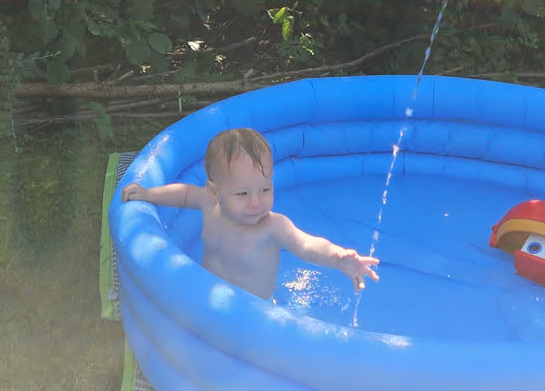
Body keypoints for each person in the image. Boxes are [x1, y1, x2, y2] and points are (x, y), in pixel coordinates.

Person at [121, 127, 380, 299]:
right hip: (208, 298)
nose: (256, 203)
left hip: (251, 315)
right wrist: (147, 194)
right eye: (242, 194)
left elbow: (308, 246)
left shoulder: (273, 227)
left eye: (265, 189)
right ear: (215, 190)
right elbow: (185, 193)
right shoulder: (209, 203)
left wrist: (338, 257)